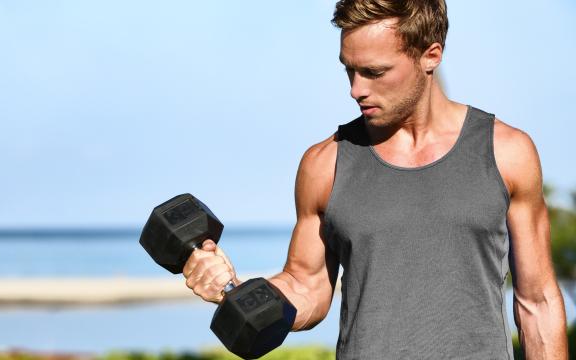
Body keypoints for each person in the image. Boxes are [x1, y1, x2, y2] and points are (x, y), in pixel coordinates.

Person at [182, 0, 569, 358]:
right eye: (349, 70)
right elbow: (307, 286)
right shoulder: (325, 163)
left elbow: (537, 302)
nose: (356, 90)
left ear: (430, 56)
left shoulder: (507, 152)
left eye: (374, 72)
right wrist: (237, 293)